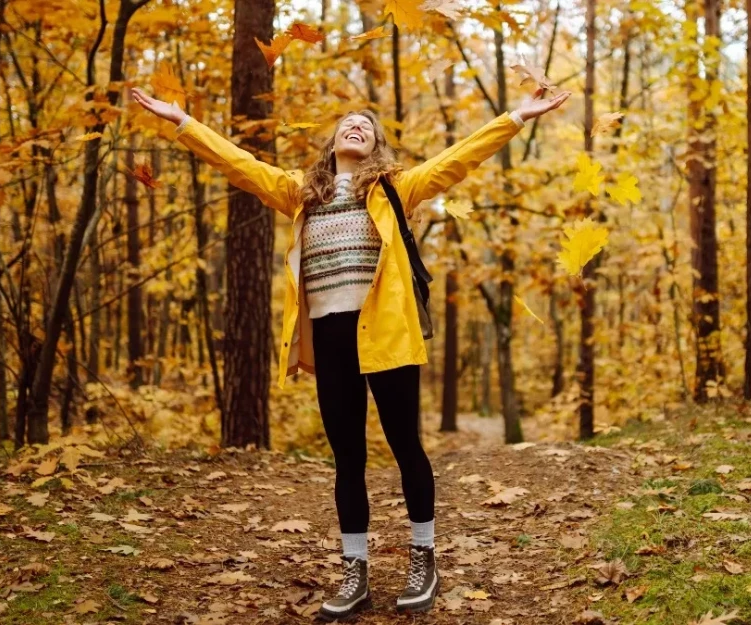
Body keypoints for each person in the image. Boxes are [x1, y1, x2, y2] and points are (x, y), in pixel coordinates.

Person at [132, 84, 568, 620]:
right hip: (330, 336)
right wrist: (182, 122)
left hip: (386, 333)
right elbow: (239, 164)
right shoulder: (300, 193)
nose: (355, 126)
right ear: (333, 142)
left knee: (406, 446)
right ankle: (354, 570)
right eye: (347, 123)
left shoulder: (394, 188)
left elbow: (458, 158)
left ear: (376, 144)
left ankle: (423, 558)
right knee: (348, 458)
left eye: (366, 125)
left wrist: (516, 117)